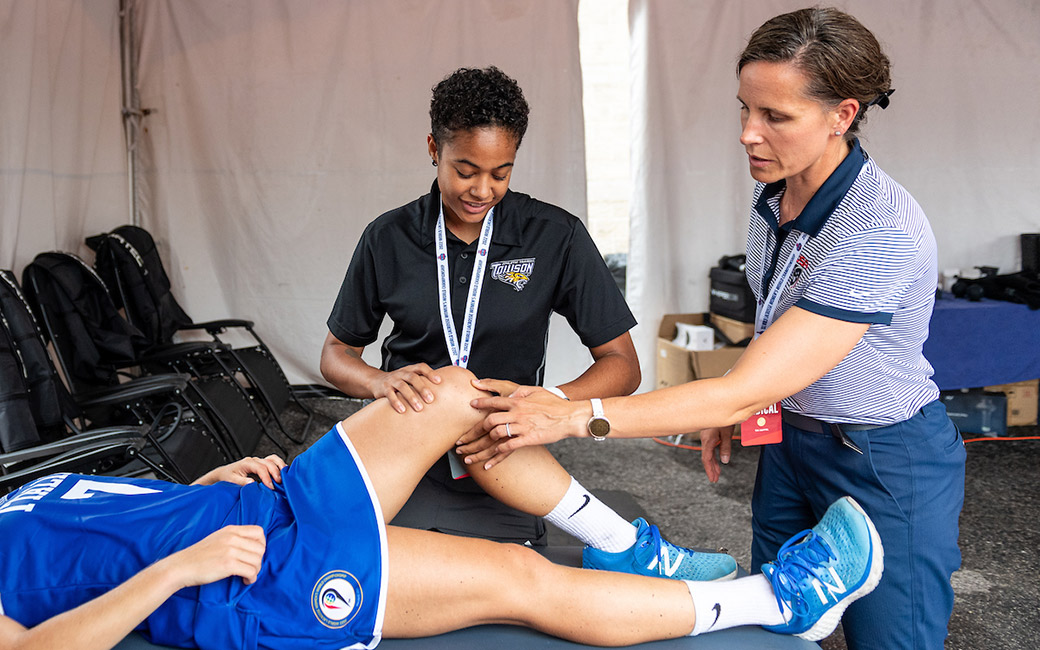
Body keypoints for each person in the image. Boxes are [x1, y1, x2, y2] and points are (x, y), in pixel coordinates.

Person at [461, 8, 964, 650]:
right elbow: (775, 325)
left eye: (775, 117)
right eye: (744, 110)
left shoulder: (877, 227)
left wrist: (571, 415)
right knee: (778, 626)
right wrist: (747, 396)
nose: (749, 134)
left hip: (883, 456)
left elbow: (742, 386)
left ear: (843, 113)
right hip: (791, 442)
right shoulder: (772, 196)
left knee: (892, 643)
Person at [0, 365, 883, 649]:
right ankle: (781, 603)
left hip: (248, 512)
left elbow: (95, 525)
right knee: (519, 576)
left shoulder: (13, 493)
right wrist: (180, 565)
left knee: (458, 393)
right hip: (250, 585)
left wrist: (195, 489)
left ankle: (624, 544)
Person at [318, 66, 738, 582]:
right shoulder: (387, 238)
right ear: (433, 148)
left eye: (501, 172)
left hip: (505, 454)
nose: (482, 189)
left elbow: (622, 367)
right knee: (367, 572)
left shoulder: (553, 236)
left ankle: (621, 544)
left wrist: (550, 405)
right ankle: (623, 543)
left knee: (511, 573)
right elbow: (335, 355)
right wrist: (381, 382)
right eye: (465, 170)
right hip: (404, 448)